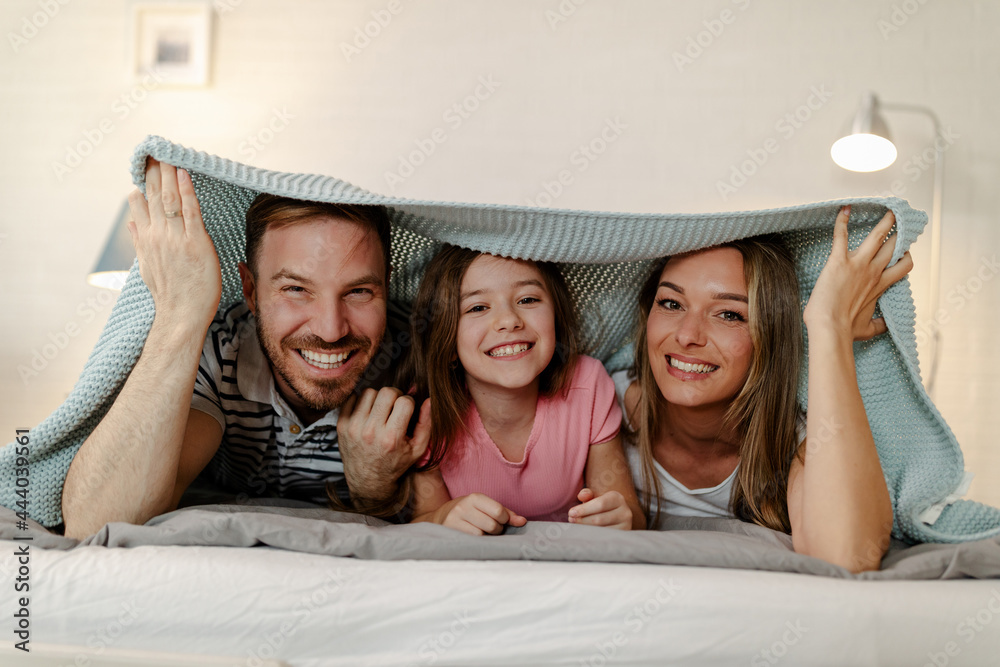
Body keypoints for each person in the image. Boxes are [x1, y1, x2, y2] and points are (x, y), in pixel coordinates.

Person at [61, 159, 429, 538]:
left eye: (359, 291)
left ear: (385, 288)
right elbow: (94, 524)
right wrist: (180, 315)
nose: (331, 330)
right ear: (251, 291)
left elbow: (457, 510)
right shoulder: (218, 351)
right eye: (296, 289)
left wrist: (375, 490)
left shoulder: (422, 358)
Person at [617, 206, 911, 572]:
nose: (687, 336)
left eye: (729, 314)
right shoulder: (599, 407)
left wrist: (829, 326)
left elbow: (846, 556)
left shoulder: (798, 439)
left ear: (770, 335)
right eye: (671, 303)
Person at [400, 245, 644, 535]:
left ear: (556, 317)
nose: (509, 321)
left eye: (527, 299)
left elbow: (630, 515)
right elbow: (422, 522)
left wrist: (620, 517)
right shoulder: (428, 408)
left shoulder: (588, 383)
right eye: (478, 307)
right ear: (447, 342)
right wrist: (442, 517)